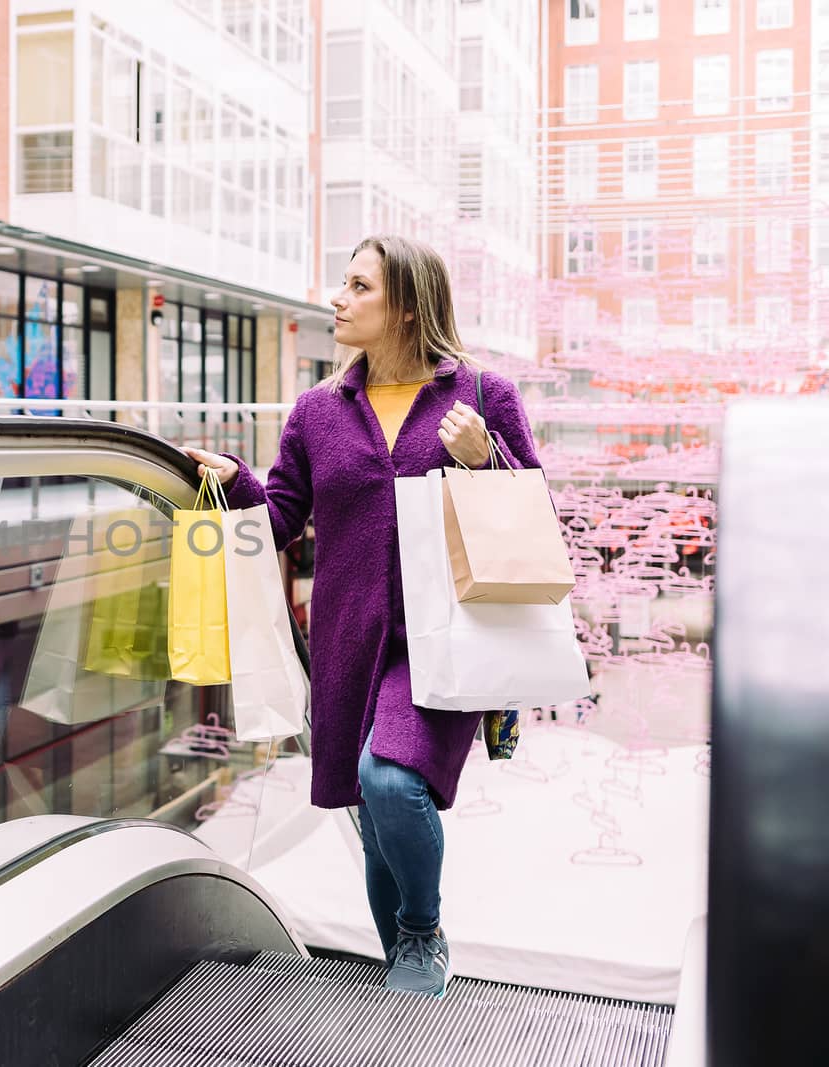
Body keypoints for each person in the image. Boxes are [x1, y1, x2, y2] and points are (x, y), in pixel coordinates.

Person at [184, 235, 543, 999]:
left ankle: (422, 928)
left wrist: (487, 460)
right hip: (347, 642)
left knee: (389, 780)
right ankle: (404, 979)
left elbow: (535, 515)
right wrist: (235, 483)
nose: (337, 299)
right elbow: (282, 517)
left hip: (447, 640)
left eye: (358, 286)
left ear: (407, 304)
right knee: (374, 819)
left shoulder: (483, 397)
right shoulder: (318, 410)